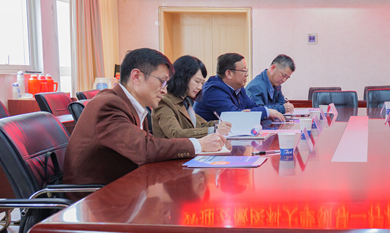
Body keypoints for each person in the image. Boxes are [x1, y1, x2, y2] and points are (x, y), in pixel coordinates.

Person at [63, 48, 226, 186]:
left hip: (123, 187)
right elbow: (144, 148)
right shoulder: (109, 105)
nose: (165, 90)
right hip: (94, 199)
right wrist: (199, 144)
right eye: (162, 81)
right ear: (136, 77)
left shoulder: (130, 105)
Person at [153, 55, 232, 139]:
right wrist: (215, 129)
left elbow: (201, 124)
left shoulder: (185, 101)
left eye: (202, 83)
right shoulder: (165, 102)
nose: (200, 87)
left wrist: (221, 124)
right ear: (183, 78)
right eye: (197, 81)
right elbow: (175, 133)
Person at [194, 53, 285, 122]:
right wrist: (266, 112)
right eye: (243, 71)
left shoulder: (238, 88)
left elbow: (253, 106)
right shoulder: (213, 91)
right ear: (229, 74)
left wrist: (257, 113)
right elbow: (235, 117)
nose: (247, 74)